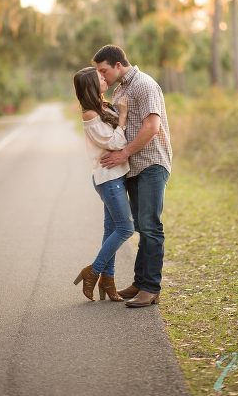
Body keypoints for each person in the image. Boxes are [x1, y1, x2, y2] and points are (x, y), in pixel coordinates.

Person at [93, 45, 173, 308]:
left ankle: (150, 288)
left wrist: (123, 152)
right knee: (140, 225)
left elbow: (152, 126)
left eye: (104, 70)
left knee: (150, 225)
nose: (102, 76)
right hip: (133, 168)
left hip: (151, 163)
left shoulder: (144, 84)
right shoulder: (121, 89)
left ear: (118, 65)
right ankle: (140, 282)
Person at [72, 67, 135, 302]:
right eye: (99, 76)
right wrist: (124, 116)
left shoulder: (102, 106)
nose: (104, 77)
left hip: (116, 176)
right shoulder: (89, 113)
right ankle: (94, 271)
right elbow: (116, 142)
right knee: (126, 228)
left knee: (112, 229)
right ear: (90, 84)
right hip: (108, 179)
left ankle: (108, 281)